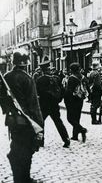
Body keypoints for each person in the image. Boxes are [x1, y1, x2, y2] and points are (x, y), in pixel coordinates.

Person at [0, 49, 44, 183]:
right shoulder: (27, 78)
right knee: (26, 150)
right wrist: (39, 124)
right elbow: (33, 104)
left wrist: (9, 111)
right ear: (25, 63)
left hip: (13, 121)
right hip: (27, 122)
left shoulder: (6, 77)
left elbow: (2, 100)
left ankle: (21, 178)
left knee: (17, 147)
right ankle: (22, 178)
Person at [36, 57, 70, 148]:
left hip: (43, 105)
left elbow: (37, 93)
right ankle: (66, 139)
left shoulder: (40, 80)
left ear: (42, 70)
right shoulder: (56, 78)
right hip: (54, 105)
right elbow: (62, 90)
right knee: (58, 122)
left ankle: (40, 141)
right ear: (49, 69)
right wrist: (58, 100)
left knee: (41, 123)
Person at [64, 63, 87, 141]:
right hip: (80, 99)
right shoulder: (83, 77)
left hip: (72, 100)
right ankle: (75, 135)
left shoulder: (71, 78)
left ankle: (81, 129)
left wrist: (65, 99)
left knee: (70, 118)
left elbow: (69, 91)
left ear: (71, 70)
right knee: (77, 117)